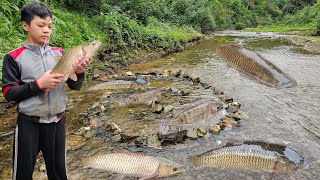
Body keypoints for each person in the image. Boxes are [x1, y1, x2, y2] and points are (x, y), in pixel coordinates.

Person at [1, 2, 91, 180]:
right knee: (22, 174)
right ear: (25, 26)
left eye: (49, 26)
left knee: (59, 174)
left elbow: (75, 86)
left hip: (58, 123)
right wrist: (38, 84)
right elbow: (9, 92)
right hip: (28, 124)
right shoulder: (13, 57)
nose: (46, 30)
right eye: (40, 25)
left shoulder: (59, 53)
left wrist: (79, 73)